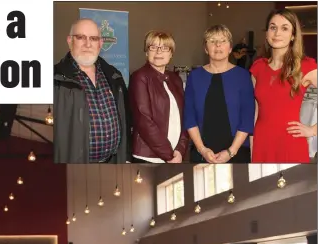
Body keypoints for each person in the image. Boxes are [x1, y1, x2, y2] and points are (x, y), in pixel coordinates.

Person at [54, 18, 131, 164]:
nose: (88, 44)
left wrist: (126, 156)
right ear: (70, 41)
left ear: (100, 43)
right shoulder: (55, 78)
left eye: (94, 39)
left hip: (113, 162)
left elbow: (125, 120)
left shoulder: (114, 75)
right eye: (81, 37)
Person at [250, 9, 317, 163]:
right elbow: (255, 111)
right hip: (261, 142)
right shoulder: (258, 67)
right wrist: (253, 147)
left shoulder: (306, 66)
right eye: (273, 27)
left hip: (290, 141)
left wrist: (313, 130)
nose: (277, 33)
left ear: (293, 35)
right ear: (267, 33)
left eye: (284, 28)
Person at [183, 24, 255, 163]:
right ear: (205, 48)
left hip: (237, 152)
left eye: (223, 41)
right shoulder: (195, 76)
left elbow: (247, 118)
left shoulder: (243, 76)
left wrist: (231, 151)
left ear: (230, 48)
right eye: (212, 41)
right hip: (201, 152)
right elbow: (189, 117)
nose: (218, 45)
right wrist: (202, 149)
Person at [129, 31, 188, 163]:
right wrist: (169, 155)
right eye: (153, 47)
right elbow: (143, 120)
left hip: (175, 155)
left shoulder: (175, 79)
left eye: (165, 48)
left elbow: (185, 115)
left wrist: (180, 149)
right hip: (148, 156)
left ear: (171, 53)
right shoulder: (139, 77)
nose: (158, 52)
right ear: (146, 52)